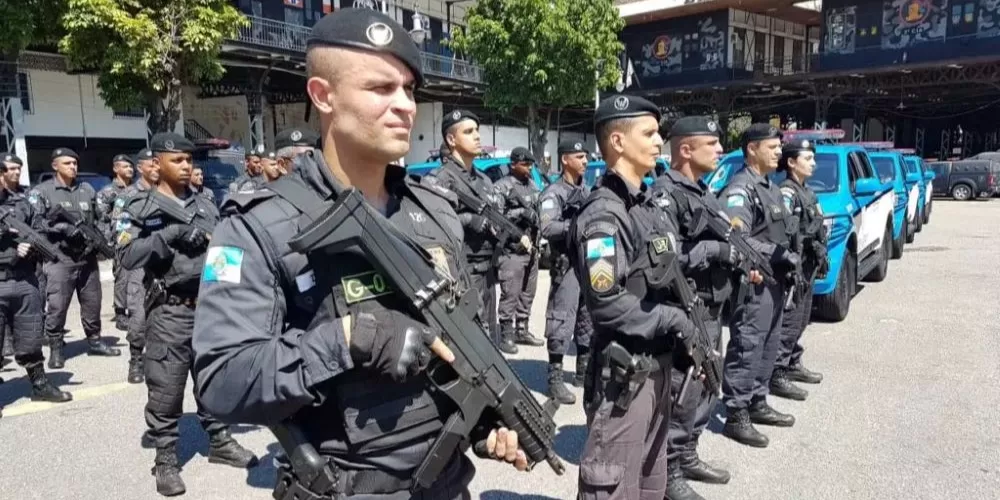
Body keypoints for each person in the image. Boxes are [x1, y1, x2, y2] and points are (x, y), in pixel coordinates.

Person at [192, 9, 527, 499]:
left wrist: (483, 421)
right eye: (380, 88)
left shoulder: (434, 211)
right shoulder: (260, 224)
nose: (404, 106)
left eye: (409, 90)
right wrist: (349, 339)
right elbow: (221, 381)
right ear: (323, 96)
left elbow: (459, 338)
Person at [118, 133, 258, 496]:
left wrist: (231, 294)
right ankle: (165, 458)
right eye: (177, 160)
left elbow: (224, 249)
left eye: (188, 161)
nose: (186, 167)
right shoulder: (140, 206)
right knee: (167, 386)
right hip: (170, 310)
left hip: (209, 307)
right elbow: (125, 256)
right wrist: (171, 236)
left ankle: (219, 441)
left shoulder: (205, 203)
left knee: (212, 377)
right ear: (157, 163)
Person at [574, 95, 695, 500]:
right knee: (611, 488)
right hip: (626, 377)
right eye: (649, 132)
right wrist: (671, 320)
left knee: (649, 486)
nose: (660, 140)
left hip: (657, 367)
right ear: (618, 142)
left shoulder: (644, 205)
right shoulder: (604, 214)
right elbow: (606, 302)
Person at [652, 117, 739, 500]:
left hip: (712, 306)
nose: (720, 149)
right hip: (686, 307)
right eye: (712, 143)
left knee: (705, 387)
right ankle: (668, 471)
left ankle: (687, 454)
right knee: (683, 391)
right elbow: (664, 260)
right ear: (686, 149)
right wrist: (715, 250)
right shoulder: (665, 195)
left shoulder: (704, 191)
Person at [718, 124, 801, 448]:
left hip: (775, 281)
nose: (779, 152)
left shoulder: (771, 187)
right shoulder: (741, 188)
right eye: (772, 147)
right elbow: (737, 236)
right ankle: (736, 412)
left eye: (780, 147)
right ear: (752, 149)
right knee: (748, 344)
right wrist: (777, 254)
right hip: (753, 281)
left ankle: (757, 399)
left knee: (769, 342)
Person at [424, 109, 531, 351]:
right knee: (469, 342)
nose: (477, 136)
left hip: (487, 270)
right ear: (451, 140)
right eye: (469, 131)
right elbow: (432, 227)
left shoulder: (483, 180)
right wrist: (467, 219)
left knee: (489, 340)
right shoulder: (440, 179)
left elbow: (496, 217)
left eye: (477, 131)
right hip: (462, 271)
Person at [29, 148, 120, 369]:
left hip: (87, 258)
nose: (73, 167)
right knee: (58, 306)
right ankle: (56, 347)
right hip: (60, 258)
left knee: (92, 302)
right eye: (68, 163)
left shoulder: (86, 189)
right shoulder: (43, 191)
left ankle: (95, 340)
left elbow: (99, 219)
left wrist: (101, 240)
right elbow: (35, 224)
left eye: (75, 163)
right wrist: (61, 228)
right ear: (55, 166)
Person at [0, 153, 73, 416]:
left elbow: (38, 228)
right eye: (10, 169)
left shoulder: (23, 202)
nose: (15, 173)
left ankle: (39, 384)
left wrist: (34, 244)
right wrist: (10, 252)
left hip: (25, 281)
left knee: (30, 336)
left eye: (18, 168)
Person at [538, 139, 594, 405]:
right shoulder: (554, 193)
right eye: (580, 156)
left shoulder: (587, 191)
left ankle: (583, 370)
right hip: (566, 263)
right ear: (565, 159)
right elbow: (547, 228)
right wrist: (577, 224)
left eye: (586, 157)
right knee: (562, 318)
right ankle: (555, 379)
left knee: (587, 317)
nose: (585, 161)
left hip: (588, 263)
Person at [770, 139, 826, 400]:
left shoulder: (808, 192)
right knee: (791, 320)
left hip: (809, 265)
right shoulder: (787, 192)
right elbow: (784, 234)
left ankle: (792, 361)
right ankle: (777, 372)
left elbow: (817, 225)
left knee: (802, 317)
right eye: (808, 158)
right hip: (795, 267)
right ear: (791, 162)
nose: (813, 163)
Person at [113, 148, 159, 384]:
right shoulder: (128, 196)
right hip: (140, 265)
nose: (156, 168)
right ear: (141, 168)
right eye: (151, 164)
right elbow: (119, 232)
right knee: (139, 315)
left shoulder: (169, 192)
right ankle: (136, 359)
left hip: (165, 263)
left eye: (158, 164)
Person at [493, 146, 544, 351]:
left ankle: (522, 330)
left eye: (530, 164)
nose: (528, 168)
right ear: (513, 164)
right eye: (524, 164)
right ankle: (506, 335)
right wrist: (520, 212)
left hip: (531, 249)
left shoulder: (532, 185)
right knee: (510, 293)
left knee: (527, 293)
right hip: (511, 250)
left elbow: (540, 213)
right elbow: (495, 219)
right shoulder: (502, 186)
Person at [97, 154, 135, 331]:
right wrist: (108, 244)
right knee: (122, 277)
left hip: (137, 239)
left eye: (131, 166)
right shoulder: (107, 192)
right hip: (119, 241)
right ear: (115, 169)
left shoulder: (136, 189)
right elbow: (103, 219)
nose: (130, 169)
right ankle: (120, 312)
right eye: (125, 166)